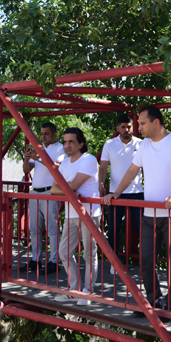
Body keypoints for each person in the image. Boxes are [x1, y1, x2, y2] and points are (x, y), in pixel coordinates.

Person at [104, 105, 171, 313]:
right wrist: (116, 193)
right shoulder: (144, 145)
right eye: (138, 123)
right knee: (146, 260)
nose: (138, 128)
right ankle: (153, 301)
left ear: (156, 122)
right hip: (150, 213)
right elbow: (132, 171)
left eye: (142, 123)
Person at [51, 128, 101, 306]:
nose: (67, 145)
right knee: (64, 252)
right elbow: (54, 189)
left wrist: (67, 189)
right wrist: (68, 191)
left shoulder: (89, 159)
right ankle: (75, 290)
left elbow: (71, 186)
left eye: (71, 141)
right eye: (65, 142)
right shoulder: (64, 162)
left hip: (89, 213)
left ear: (81, 144)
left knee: (89, 253)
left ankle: (87, 292)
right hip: (71, 212)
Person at [98, 114, 144, 274]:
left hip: (137, 192)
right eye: (123, 127)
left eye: (129, 127)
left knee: (142, 229)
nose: (126, 130)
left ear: (133, 127)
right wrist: (101, 185)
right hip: (115, 193)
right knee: (114, 229)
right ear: (118, 128)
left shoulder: (141, 143)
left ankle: (146, 263)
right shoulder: (109, 144)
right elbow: (103, 167)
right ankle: (114, 263)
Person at [22, 122, 65, 272]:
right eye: (42, 134)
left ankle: (53, 261)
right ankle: (36, 259)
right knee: (34, 229)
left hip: (49, 192)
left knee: (52, 228)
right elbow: (27, 169)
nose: (43, 136)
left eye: (46, 133)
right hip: (35, 192)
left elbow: (58, 166)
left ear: (54, 134)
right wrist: (27, 159)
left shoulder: (60, 148)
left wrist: (38, 157)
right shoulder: (40, 148)